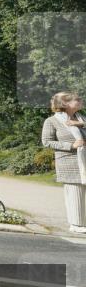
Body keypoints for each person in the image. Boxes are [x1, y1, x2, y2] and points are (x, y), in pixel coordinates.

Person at [41, 92, 86, 234]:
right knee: (75, 193)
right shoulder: (51, 121)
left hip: (84, 160)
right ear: (65, 104)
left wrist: (81, 123)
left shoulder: (81, 118)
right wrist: (71, 146)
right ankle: (76, 224)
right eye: (77, 99)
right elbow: (46, 142)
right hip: (69, 163)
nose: (81, 101)